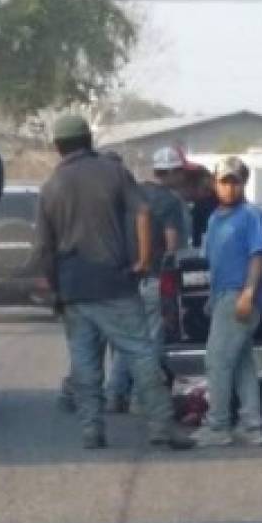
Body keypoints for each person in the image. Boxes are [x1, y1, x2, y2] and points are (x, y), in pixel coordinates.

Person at [35, 115, 193, 450]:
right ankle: (161, 428)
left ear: (58, 147)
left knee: (84, 363)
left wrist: (56, 289)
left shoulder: (51, 187)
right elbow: (144, 213)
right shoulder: (114, 172)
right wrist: (144, 260)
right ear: (89, 139)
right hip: (115, 284)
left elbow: (44, 249)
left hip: (74, 288)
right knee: (141, 353)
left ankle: (92, 431)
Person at [191, 156, 262, 447]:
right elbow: (215, 263)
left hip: (240, 295)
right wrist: (213, 299)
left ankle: (218, 426)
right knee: (241, 364)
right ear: (215, 183)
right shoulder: (214, 219)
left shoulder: (251, 216)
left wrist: (248, 294)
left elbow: (258, 255)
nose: (229, 188)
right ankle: (251, 426)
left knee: (217, 362)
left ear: (243, 184)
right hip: (223, 296)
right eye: (224, 181)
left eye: (234, 181)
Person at [104, 151, 188, 413]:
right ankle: (143, 400)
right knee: (151, 343)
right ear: (174, 172)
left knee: (127, 341)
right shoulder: (170, 202)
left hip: (127, 280)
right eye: (180, 171)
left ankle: (115, 395)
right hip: (155, 279)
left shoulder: (133, 194)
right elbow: (172, 243)